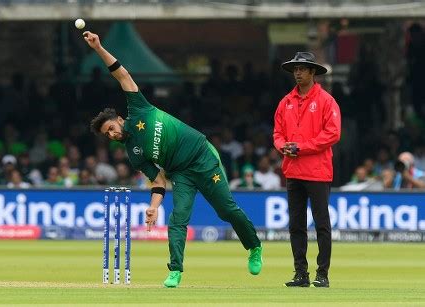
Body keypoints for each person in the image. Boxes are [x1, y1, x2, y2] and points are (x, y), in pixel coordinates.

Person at [83, 31, 262, 288]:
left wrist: (99, 48)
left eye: (111, 127)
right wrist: (154, 206)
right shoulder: (133, 153)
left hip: (202, 156)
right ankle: (175, 271)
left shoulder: (138, 109)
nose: (112, 134)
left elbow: (121, 74)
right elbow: (158, 180)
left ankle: (254, 247)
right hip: (180, 173)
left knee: (225, 210)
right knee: (178, 220)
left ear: (119, 119)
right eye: (107, 134)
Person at [273, 52, 341, 288]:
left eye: (302, 68)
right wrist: (284, 147)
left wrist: (301, 147)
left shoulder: (326, 101)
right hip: (293, 171)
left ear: (313, 72)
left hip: (318, 172)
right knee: (296, 225)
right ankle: (301, 273)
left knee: (322, 224)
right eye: (295, 69)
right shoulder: (286, 102)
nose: (298, 73)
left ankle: (322, 274)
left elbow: (332, 134)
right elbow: (278, 134)